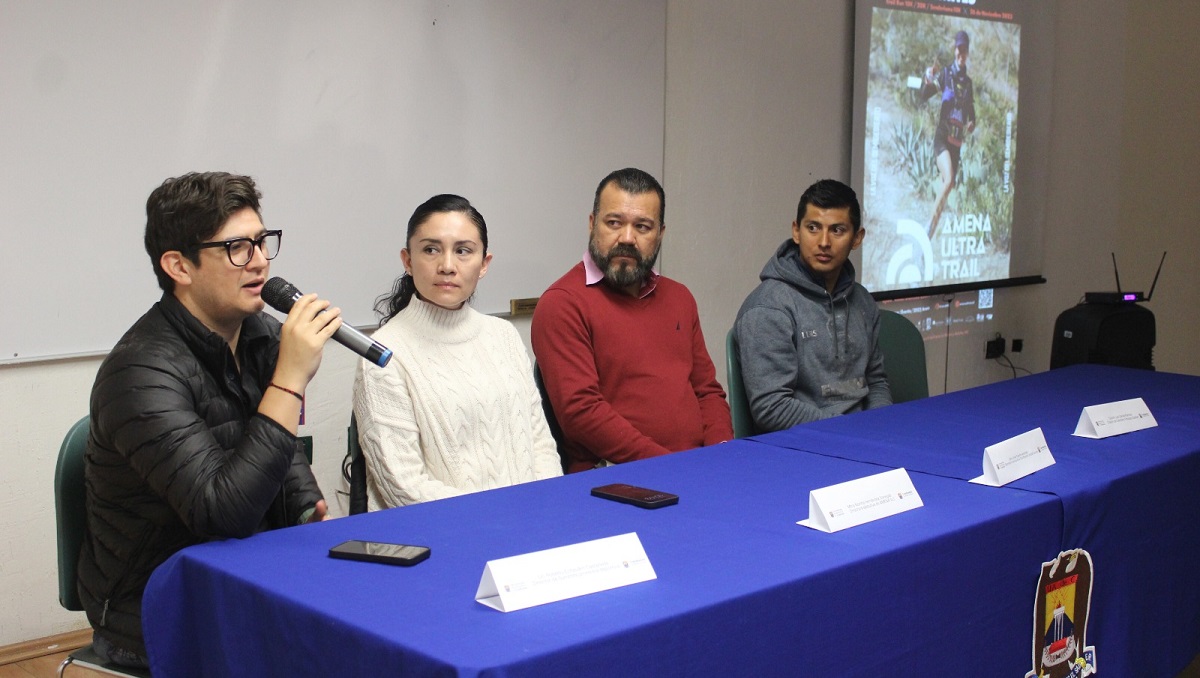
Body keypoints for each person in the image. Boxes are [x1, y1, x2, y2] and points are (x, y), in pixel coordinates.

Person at [80, 172, 338, 667]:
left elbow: (278, 455)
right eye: (237, 247)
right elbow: (223, 515)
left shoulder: (258, 333)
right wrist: (290, 379)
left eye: (263, 242)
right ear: (179, 265)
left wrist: (307, 511)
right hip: (155, 598)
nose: (260, 260)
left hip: (248, 568)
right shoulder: (139, 371)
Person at [353, 194, 561, 507]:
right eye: (431, 249)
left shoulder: (504, 335)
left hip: (529, 521)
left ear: (484, 264)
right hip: (442, 535)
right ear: (408, 261)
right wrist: (499, 516)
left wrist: (543, 506)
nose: (447, 266)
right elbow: (404, 487)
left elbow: (540, 444)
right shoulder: (384, 357)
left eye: (463, 251)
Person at [531, 168, 733, 473]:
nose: (627, 238)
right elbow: (582, 413)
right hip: (616, 478)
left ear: (660, 233)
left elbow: (707, 390)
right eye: (614, 223)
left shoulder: (680, 298)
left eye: (642, 226)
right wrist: (672, 466)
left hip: (696, 470)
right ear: (592, 224)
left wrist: (721, 455)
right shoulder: (562, 303)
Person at [734, 179, 891, 432]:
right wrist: (851, 433)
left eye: (838, 230)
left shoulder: (862, 302)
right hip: (801, 447)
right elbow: (771, 407)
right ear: (796, 231)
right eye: (813, 228)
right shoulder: (768, 308)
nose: (824, 242)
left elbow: (876, 382)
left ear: (857, 238)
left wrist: (880, 429)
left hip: (863, 438)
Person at [921, 29, 977, 238]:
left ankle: (930, 232)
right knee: (949, 179)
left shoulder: (968, 83)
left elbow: (972, 114)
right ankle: (928, 228)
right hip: (942, 137)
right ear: (955, 50)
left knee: (949, 184)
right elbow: (925, 95)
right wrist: (928, 77)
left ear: (968, 53)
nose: (961, 53)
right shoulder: (945, 75)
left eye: (965, 50)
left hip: (957, 142)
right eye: (959, 49)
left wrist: (972, 123)